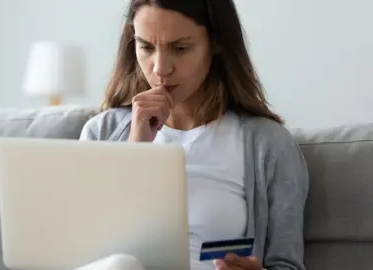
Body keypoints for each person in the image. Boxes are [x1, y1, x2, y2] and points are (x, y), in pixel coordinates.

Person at [78, 0, 309, 269]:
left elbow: (287, 263)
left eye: (180, 48)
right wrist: (136, 150)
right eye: (146, 47)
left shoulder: (268, 144)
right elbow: (83, 249)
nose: (161, 68)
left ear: (216, 43)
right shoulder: (101, 133)